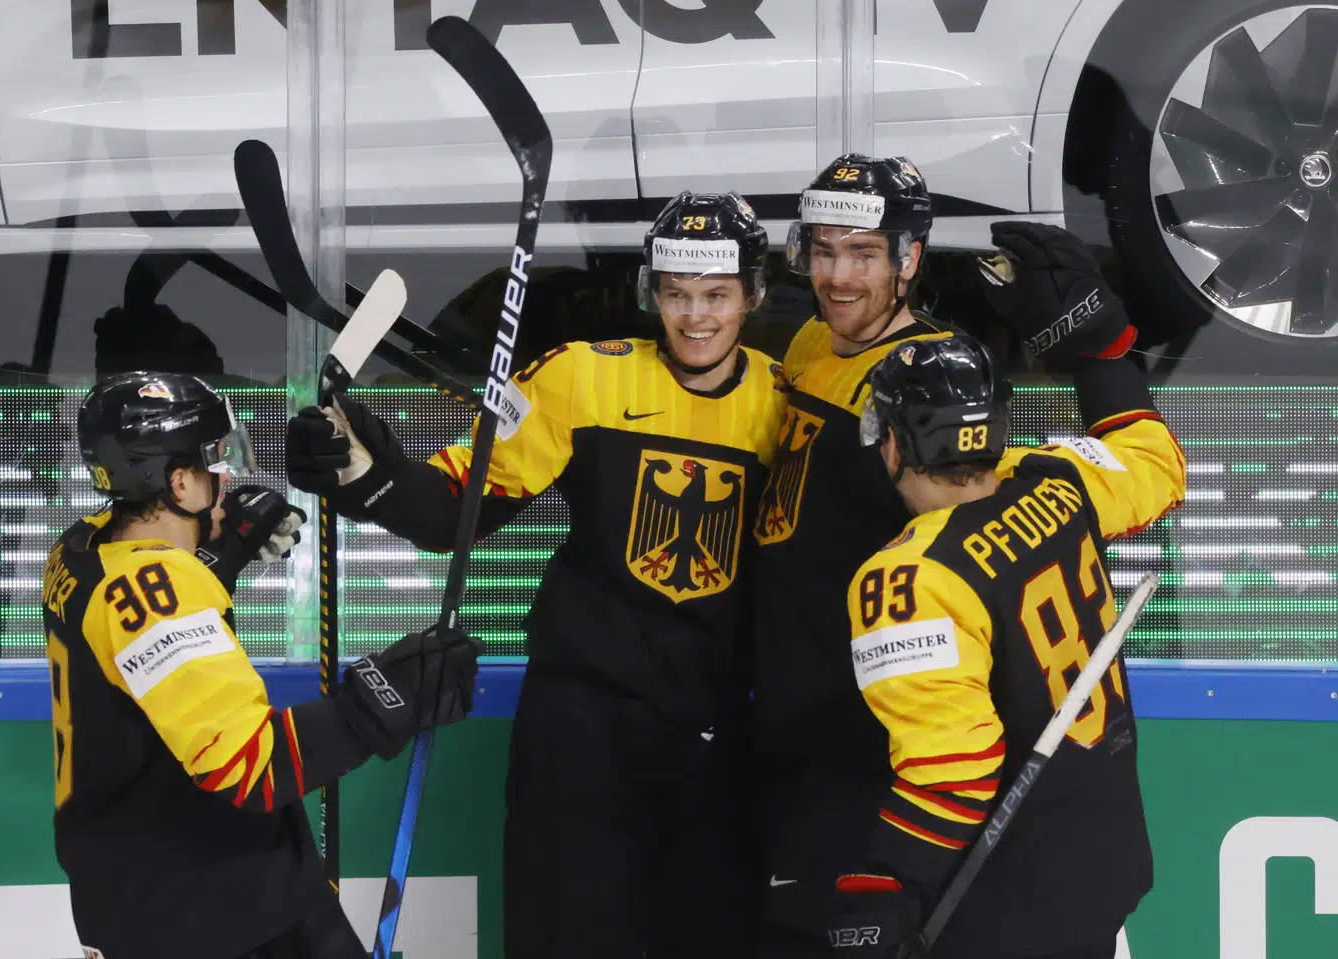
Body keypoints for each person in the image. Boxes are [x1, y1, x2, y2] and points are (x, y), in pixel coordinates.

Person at [284, 191, 787, 958]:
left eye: (716, 294)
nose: (695, 316)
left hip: (713, 735)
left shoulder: (785, 405)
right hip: (583, 730)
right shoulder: (582, 378)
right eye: (677, 293)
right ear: (651, 291)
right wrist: (361, 470)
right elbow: (453, 509)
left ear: (752, 294)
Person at [42, 371, 482, 959]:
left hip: (175, 880)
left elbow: (132, 638)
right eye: (211, 463)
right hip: (200, 907)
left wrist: (221, 553)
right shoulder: (156, 592)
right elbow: (248, 769)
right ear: (178, 483)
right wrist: (387, 696)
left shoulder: (78, 549)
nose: (226, 477)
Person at [813, 327, 1183, 959]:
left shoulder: (909, 579)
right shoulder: (1060, 485)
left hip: (1003, 900)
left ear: (895, 443)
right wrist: (1098, 340)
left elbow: (954, 773)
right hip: (1103, 862)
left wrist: (888, 887)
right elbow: (1157, 464)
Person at [747, 154, 958, 936]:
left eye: (863, 253)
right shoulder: (809, 341)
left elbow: (965, 557)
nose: (837, 276)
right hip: (784, 721)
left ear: (910, 259)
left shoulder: (932, 382)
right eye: (824, 249)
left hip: (863, 743)